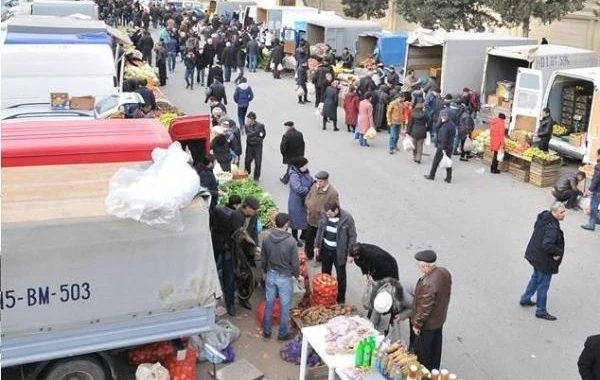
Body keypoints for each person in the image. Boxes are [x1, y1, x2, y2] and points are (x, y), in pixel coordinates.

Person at [520, 201, 566, 321]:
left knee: (535, 278)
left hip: (535, 255)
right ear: (554, 212)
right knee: (543, 286)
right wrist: (557, 252)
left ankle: (525, 299)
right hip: (543, 261)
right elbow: (547, 245)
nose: (564, 214)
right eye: (562, 212)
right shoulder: (553, 227)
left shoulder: (544, 217)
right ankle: (541, 311)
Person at [411, 250, 452, 371]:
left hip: (428, 324)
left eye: (419, 265)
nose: (419, 268)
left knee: (423, 353)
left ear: (425, 266)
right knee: (436, 348)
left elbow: (424, 308)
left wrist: (417, 325)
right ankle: (434, 371)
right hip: (439, 319)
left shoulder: (428, 283)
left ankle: (424, 375)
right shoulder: (444, 272)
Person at [261, 213, 300, 341]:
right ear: (286, 225)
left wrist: (264, 272)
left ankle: (267, 331)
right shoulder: (291, 242)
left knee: (269, 303)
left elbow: (264, 258)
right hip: (284, 277)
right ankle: (282, 334)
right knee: (285, 306)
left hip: (270, 274)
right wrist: (297, 275)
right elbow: (295, 263)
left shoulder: (266, 239)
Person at [314, 201, 357, 304]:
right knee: (325, 274)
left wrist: (350, 253)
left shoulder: (347, 219)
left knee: (341, 277)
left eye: (330, 214)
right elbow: (320, 230)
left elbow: (352, 236)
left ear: (336, 210)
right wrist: (316, 245)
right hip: (326, 249)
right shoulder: (325, 216)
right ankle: (325, 297)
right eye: (326, 213)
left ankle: (341, 299)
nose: (327, 216)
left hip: (339, 252)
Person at [230, 196, 261, 311]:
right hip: (236, 248)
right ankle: (232, 298)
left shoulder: (254, 216)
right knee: (236, 273)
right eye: (253, 210)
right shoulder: (236, 216)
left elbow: (253, 232)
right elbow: (238, 236)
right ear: (246, 207)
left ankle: (244, 298)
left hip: (248, 248)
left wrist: (255, 246)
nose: (254, 213)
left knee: (248, 275)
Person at [304, 171, 340, 261]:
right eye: (317, 181)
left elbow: (336, 208)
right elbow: (308, 197)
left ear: (326, 181)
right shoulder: (314, 186)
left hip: (322, 221)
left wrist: (322, 212)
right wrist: (308, 205)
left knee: (320, 240)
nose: (318, 183)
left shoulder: (333, 193)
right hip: (311, 218)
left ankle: (320, 257)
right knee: (309, 238)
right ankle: (309, 254)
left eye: (320, 181)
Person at [287, 157, 313, 246]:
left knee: (305, 219)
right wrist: (308, 189)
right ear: (300, 166)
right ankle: (294, 237)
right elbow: (297, 188)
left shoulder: (305, 172)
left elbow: (310, 179)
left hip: (304, 201)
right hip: (296, 202)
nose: (307, 166)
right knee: (295, 220)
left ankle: (303, 235)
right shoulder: (294, 175)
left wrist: (314, 183)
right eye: (305, 165)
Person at [425, 110, 456, 183]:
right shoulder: (452, 124)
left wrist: (443, 148)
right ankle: (449, 178)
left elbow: (444, 138)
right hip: (450, 145)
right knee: (448, 161)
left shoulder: (444, 127)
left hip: (443, 146)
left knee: (436, 161)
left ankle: (431, 175)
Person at [244, 112, 266, 181]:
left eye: (248, 120)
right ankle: (247, 172)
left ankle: (256, 176)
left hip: (257, 146)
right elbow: (248, 134)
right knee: (247, 160)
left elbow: (263, 134)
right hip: (249, 145)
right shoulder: (246, 126)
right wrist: (256, 134)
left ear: (253, 119)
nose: (247, 121)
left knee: (258, 161)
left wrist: (258, 138)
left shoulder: (260, 126)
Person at [582, 148, 600, 232]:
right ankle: (597, 220)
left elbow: (597, 178)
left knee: (593, 206)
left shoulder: (599, 166)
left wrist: (590, 189)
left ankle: (591, 224)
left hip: (598, 190)